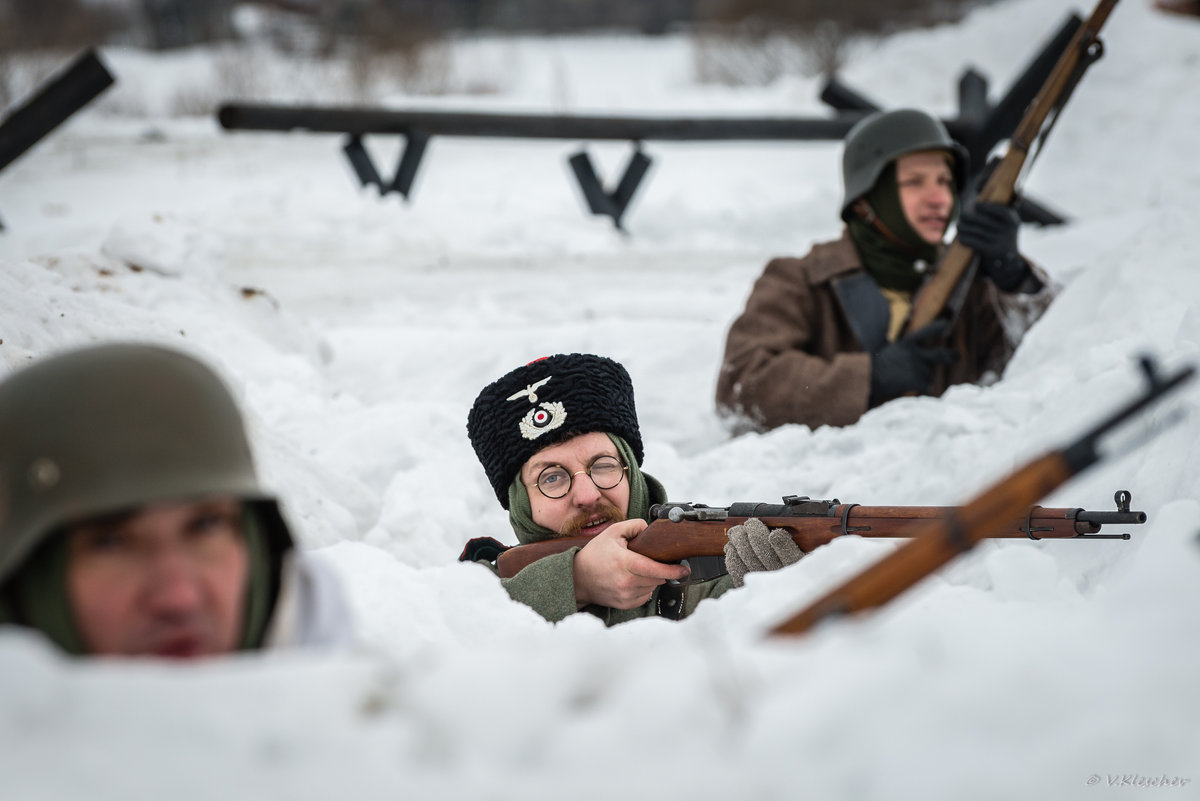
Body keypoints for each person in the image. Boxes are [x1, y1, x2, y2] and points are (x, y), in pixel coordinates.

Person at [0, 342, 351, 658]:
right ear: (24, 586)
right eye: (110, 542)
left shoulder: (364, 719)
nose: (178, 598)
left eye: (206, 525)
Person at [716, 107, 1057, 432]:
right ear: (866, 200)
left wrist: (1014, 278)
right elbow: (741, 388)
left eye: (943, 181)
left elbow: (1055, 368)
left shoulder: (975, 284)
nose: (938, 198)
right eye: (914, 182)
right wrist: (869, 378)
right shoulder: (799, 280)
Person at [463, 353, 801, 626]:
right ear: (521, 503)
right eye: (552, 478)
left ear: (632, 475)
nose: (587, 495)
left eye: (603, 466)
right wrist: (574, 582)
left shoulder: (713, 568)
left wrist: (771, 591)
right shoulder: (474, 595)